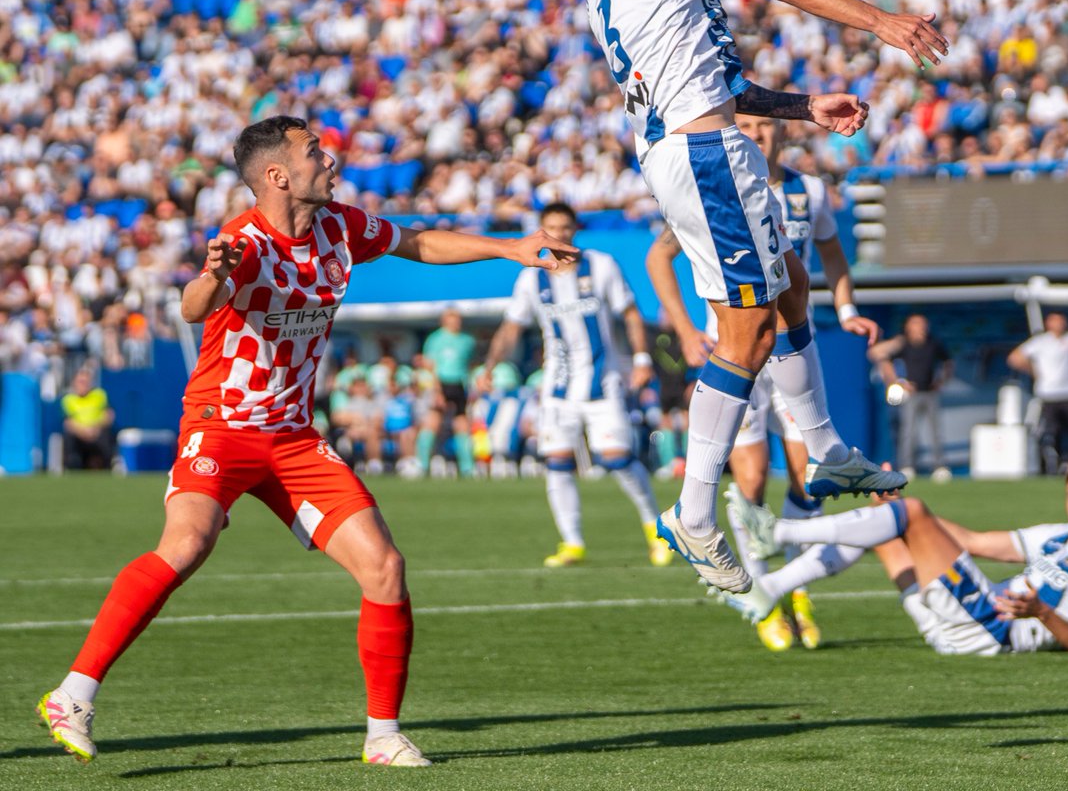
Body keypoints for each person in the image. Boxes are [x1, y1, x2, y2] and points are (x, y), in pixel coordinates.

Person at [37, 115, 577, 768]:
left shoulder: (339, 225)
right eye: (315, 151)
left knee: (385, 567)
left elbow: (419, 243)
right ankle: (73, 694)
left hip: (292, 438)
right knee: (186, 544)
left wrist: (508, 248)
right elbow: (192, 305)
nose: (331, 158)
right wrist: (212, 275)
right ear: (278, 175)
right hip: (222, 425)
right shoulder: (244, 241)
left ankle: (383, 735)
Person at [574, 0, 945, 589]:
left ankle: (827, 450)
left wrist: (804, 106)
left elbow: (720, 84)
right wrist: (880, 22)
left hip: (685, 143)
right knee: (742, 334)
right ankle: (695, 511)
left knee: (790, 286)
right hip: (704, 153)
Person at [646, 115, 880, 650]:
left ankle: (793, 587)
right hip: (739, 357)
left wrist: (845, 309)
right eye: (745, 123)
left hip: (794, 354)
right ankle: (759, 596)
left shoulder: (810, 192)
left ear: (783, 133)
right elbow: (659, 256)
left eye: (764, 125)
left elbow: (833, 253)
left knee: (808, 478)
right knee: (750, 479)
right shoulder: (718, 183)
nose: (756, 133)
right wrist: (684, 330)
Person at [727, 454, 1068, 656]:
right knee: (885, 520)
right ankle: (772, 585)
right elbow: (974, 542)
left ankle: (778, 532)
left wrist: (1043, 612)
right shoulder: (1057, 535)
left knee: (908, 515)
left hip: (991, 629)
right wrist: (896, 510)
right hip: (955, 626)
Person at [480, 202, 673, 568]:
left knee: (616, 459)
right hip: (556, 388)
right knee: (557, 462)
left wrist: (642, 360)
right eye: (551, 227)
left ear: (575, 230)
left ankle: (656, 529)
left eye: (565, 228)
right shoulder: (531, 278)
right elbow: (511, 327)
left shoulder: (600, 266)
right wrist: (490, 365)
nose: (559, 235)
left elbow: (630, 314)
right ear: (541, 230)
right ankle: (572, 542)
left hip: (604, 382)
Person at [1008, 296, 1068, 473]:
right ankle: (1052, 464)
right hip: (1049, 395)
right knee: (1051, 432)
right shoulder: (1041, 342)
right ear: (1048, 323)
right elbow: (1015, 358)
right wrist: (1034, 371)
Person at [868, 314, 952, 481]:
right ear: (908, 326)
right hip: (911, 394)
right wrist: (898, 382)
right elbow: (878, 356)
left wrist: (942, 381)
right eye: (916, 324)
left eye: (922, 324)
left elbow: (948, 361)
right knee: (908, 431)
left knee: (935, 431)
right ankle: (907, 466)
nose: (920, 328)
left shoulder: (934, 343)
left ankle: (939, 467)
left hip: (930, 392)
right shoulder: (902, 343)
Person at [417, 308, 477, 477]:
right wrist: (436, 390)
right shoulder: (436, 339)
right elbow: (430, 365)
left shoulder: (467, 340)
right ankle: (422, 465)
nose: (456, 321)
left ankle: (467, 468)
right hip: (441, 383)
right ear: (444, 320)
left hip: (459, 383)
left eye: (458, 318)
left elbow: (469, 364)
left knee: (462, 424)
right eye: (452, 318)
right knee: (432, 422)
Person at [60, 366, 116, 471]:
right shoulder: (68, 400)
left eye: (85, 382)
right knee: (69, 437)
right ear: (74, 383)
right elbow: (68, 422)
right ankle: (70, 468)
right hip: (79, 435)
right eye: (80, 382)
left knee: (106, 436)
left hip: (97, 433)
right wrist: (83, 431)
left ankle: (108, 466)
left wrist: (95, 428)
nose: (83, 385)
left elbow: (109, 415)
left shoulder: (99, 395)